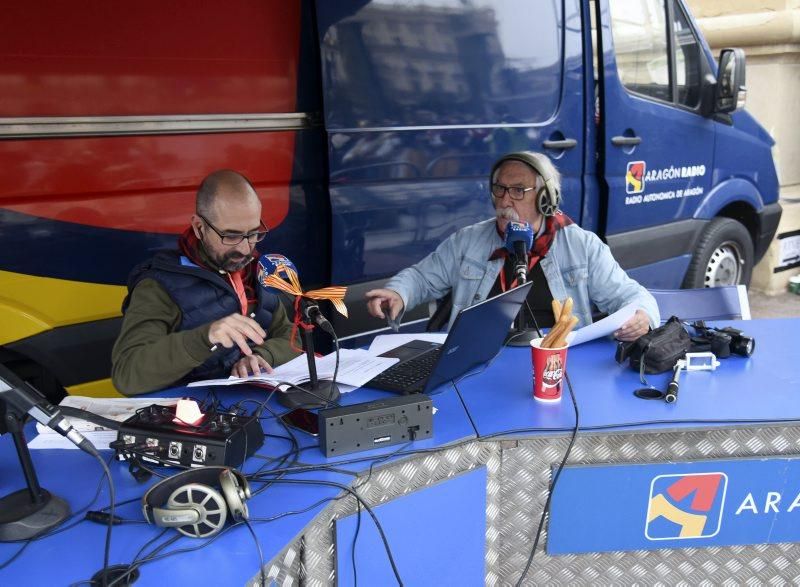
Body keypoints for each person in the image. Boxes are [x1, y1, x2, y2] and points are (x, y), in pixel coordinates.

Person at [365, 151, 659, 340]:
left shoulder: (581, 245)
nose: (505, 201)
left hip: (555, 359)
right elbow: (420, 277)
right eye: (500, 189)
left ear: (546, 198)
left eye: (519, 190)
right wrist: (398, 293)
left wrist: (642, 317)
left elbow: (631, 296)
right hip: (478, 358)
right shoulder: (467, 241)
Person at [112, 170, 299, 395]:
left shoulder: (257, 268)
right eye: (230, 236)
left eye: (252, 233)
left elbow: (292, 338)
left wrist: (262, 356)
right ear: (199, 228)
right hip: (191, 416)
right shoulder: (160, 286)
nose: (244, 248)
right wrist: (204, 337)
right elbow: (127, 374)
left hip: (256, 405)